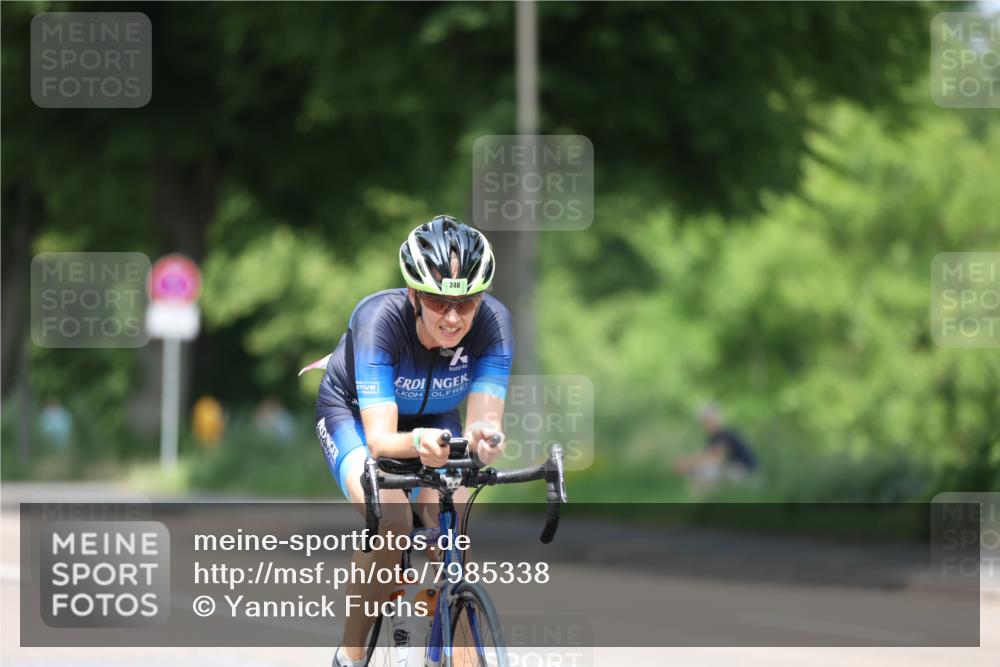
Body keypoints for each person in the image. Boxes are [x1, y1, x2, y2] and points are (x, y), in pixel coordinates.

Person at [306, 215, 513, 667]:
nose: (453, 317)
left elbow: (483, 425)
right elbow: (381, 441)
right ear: (414, 294)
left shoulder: (494, 323)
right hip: (355, 415)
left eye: (467, 302)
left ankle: (463, 656)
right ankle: (351, 655)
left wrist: (485, 441)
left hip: (435, 419)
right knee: (393, 521)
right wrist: (418, 442)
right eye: (438, 302)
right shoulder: (378, 319)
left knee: (452, 528)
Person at [673, 403, 757, 490]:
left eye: (708, 420)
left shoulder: (725, 434)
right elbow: (706, 454)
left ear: (716, 418)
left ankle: (706, 495)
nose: (706, 424)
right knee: (700, 472)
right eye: (704, 421)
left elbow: (716, 458)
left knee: (707, 472)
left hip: (746, 470)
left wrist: (689, 464)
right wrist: (688, 462)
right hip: (733, 468)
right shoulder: (713, 437)